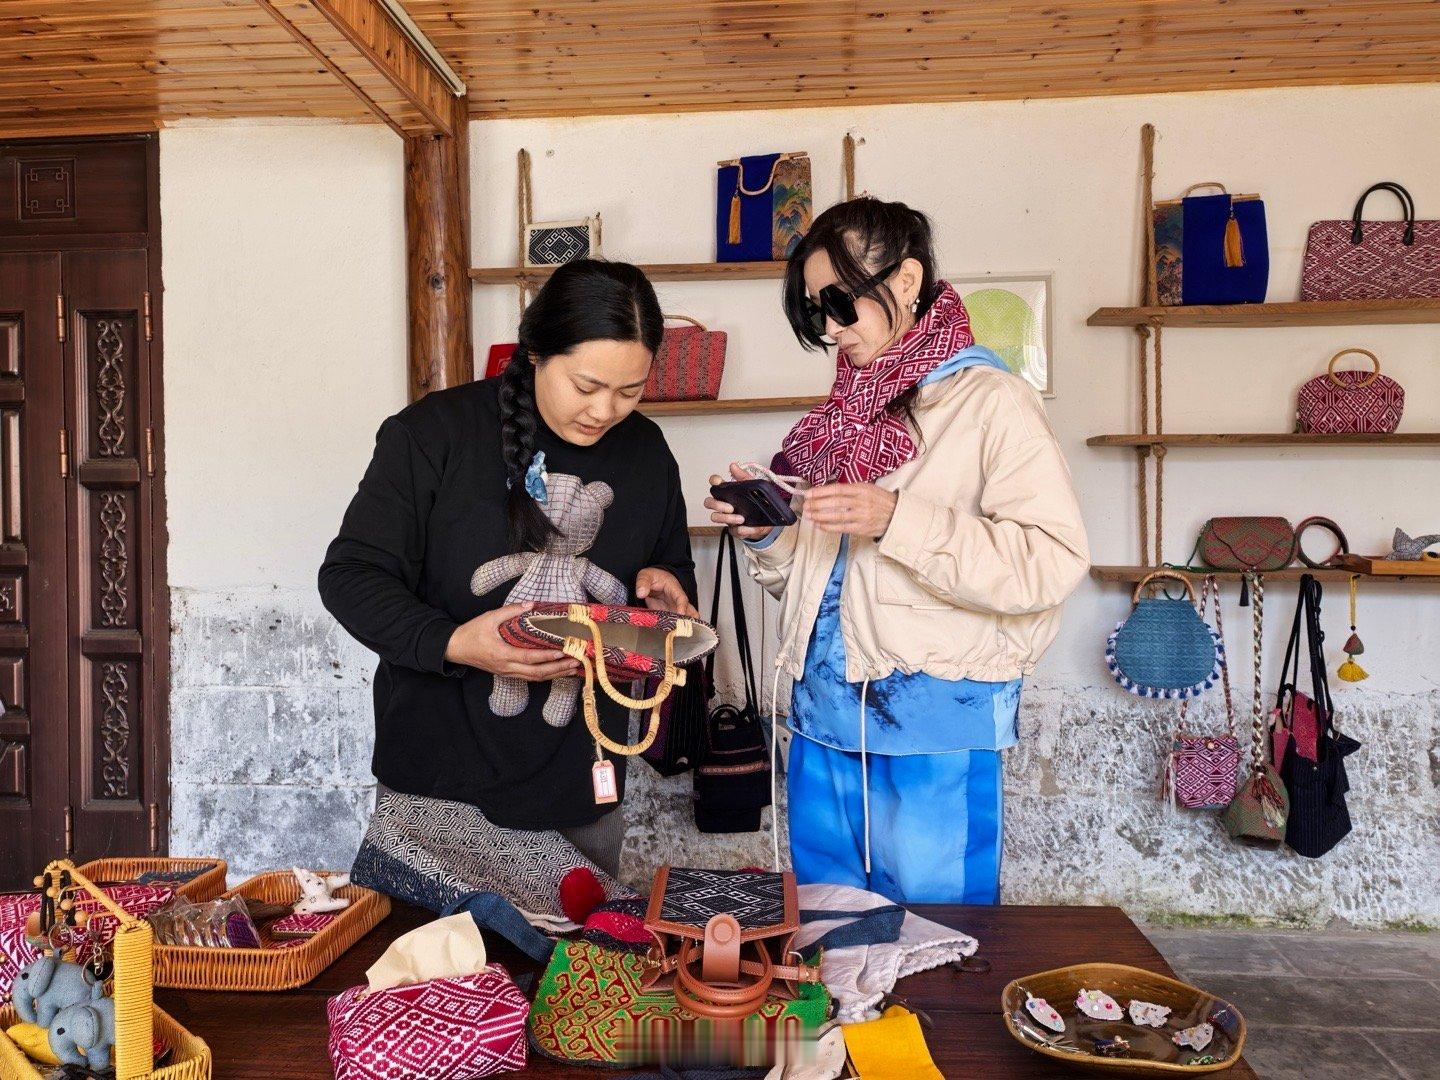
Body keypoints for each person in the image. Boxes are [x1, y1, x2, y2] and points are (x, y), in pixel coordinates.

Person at [706, 198, 1088, 904]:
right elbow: (825, 584)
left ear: (906, 281)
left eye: (839, 303)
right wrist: (770, 536)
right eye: (816, 311)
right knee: (829, 923)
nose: (830, 328)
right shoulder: (840, 418)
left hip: (933, 716)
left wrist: (897, 520)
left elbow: (1050, 561)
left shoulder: (991, 402)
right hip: (822, 713)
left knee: (939, 931)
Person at [321, 259, 697, 883]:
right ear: (537, 350)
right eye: (586, 385)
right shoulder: (432, 434)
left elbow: (669, 570)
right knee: (439, 949)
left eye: (630, 391)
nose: (605, 410)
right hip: (438, 787)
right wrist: (455, 642)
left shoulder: (647, 452)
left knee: (578, 946)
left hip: (584, 782)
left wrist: (665, 593)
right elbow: (351, 576)